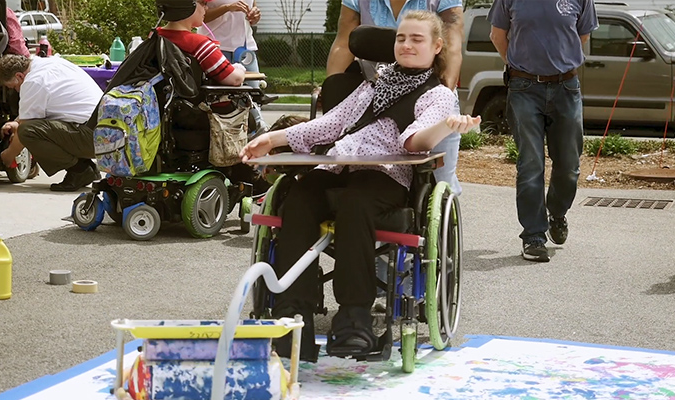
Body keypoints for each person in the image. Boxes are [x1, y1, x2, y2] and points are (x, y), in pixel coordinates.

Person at [241, 11, 480, 361]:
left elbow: (415, 141)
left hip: (384, 175)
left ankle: (354, 319)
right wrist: (273, 139)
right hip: (340, 165)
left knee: (355, 204)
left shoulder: (438, 96)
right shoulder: (371, 85)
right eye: (401, 38)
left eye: (417, 39)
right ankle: (294, 316)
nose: (407, 45)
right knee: (298, 199)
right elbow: (330, 125)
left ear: (437, 45)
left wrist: (446, 126)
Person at [488, 0, 598, 262]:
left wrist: (557, 61)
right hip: (524, 88)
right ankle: (533, 236)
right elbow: (497, 35)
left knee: (569, 165)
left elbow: (582, 35)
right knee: (530, 163)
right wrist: (518, 65)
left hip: (566, 87)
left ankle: (557, 214)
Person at [326, 0, 464, 195]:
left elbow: (453, 46)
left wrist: (442, 96)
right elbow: (343, 43)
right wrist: (332, 93)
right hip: (380, 88)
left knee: (440, 180)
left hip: (430, 90)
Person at [0, 54, 103, 191]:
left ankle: (79, 170)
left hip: (92, 137)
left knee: (27, 132)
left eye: (14, 86)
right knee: (30, 127)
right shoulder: (49, 63)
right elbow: (37, 110)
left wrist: (8, 156)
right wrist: (16, 122)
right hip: (101, 130)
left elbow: (25, 129)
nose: (16, 90)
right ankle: (86, 168)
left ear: (19, 76)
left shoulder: (33, 81)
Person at [199, 0, 271, 136]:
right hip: (216, 48)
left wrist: (255, 14)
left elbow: (253, 8)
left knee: (254, 94)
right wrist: (227, 8)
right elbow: (200, 16)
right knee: (222, 101)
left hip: (245, 48)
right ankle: (226, 139)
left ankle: (257, 132)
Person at [155, 0, 246, 86]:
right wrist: (240, 69)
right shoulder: (199, 44)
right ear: (188, 6)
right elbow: (234, 79)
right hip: (197, 100)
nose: (206, 8)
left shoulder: (155, 37)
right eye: (203, 3)